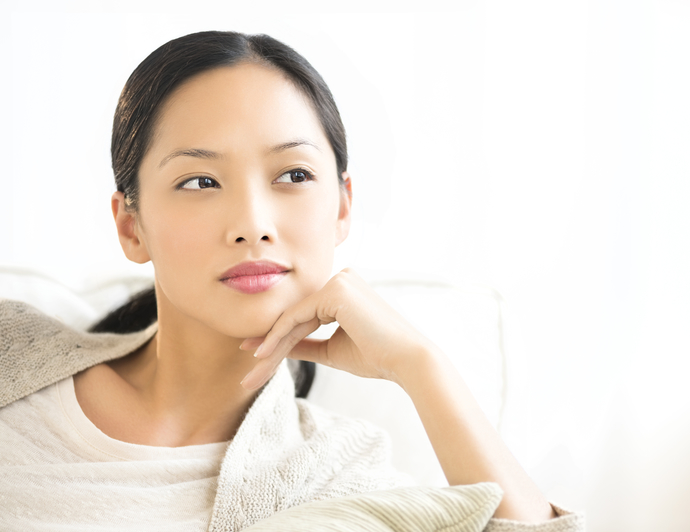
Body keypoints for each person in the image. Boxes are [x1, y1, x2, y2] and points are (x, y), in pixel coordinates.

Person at [0, 31, 583, 531]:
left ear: (341, 208)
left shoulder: (340, 473)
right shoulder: (14, 357)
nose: (252, 225)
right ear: (132, 226)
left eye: (293, 174)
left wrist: (420, 366)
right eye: (200, 182)